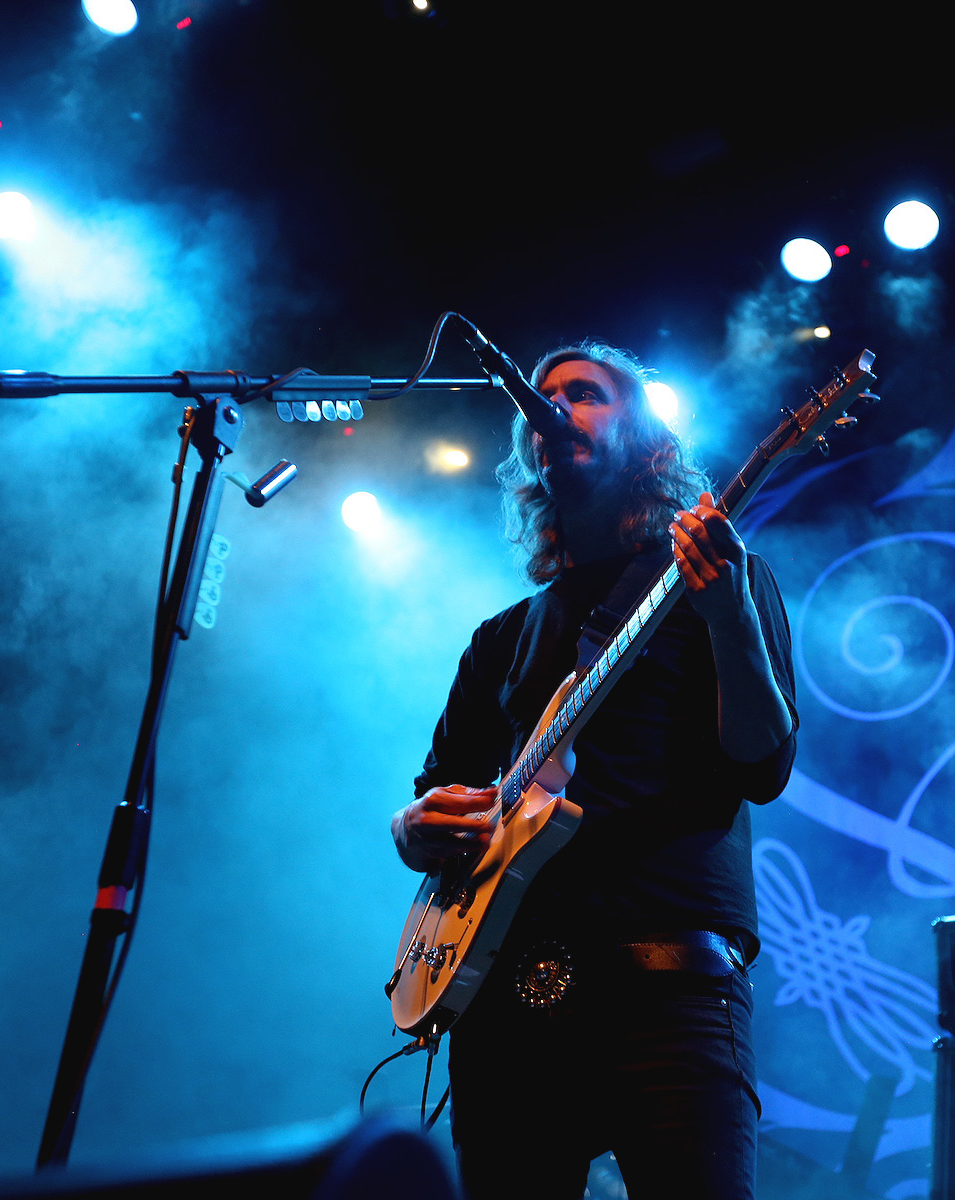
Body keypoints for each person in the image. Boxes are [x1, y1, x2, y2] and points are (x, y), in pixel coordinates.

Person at [390, 341, 797, 1200]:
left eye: (585, 393)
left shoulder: (723, 581)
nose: (554, 410)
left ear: (651, 441)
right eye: (542, 399)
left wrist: (728, 614)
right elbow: (436, 799)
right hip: (503, 998)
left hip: (668, 984)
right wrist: (413, 827)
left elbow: (763, 765)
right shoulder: (500, 637)